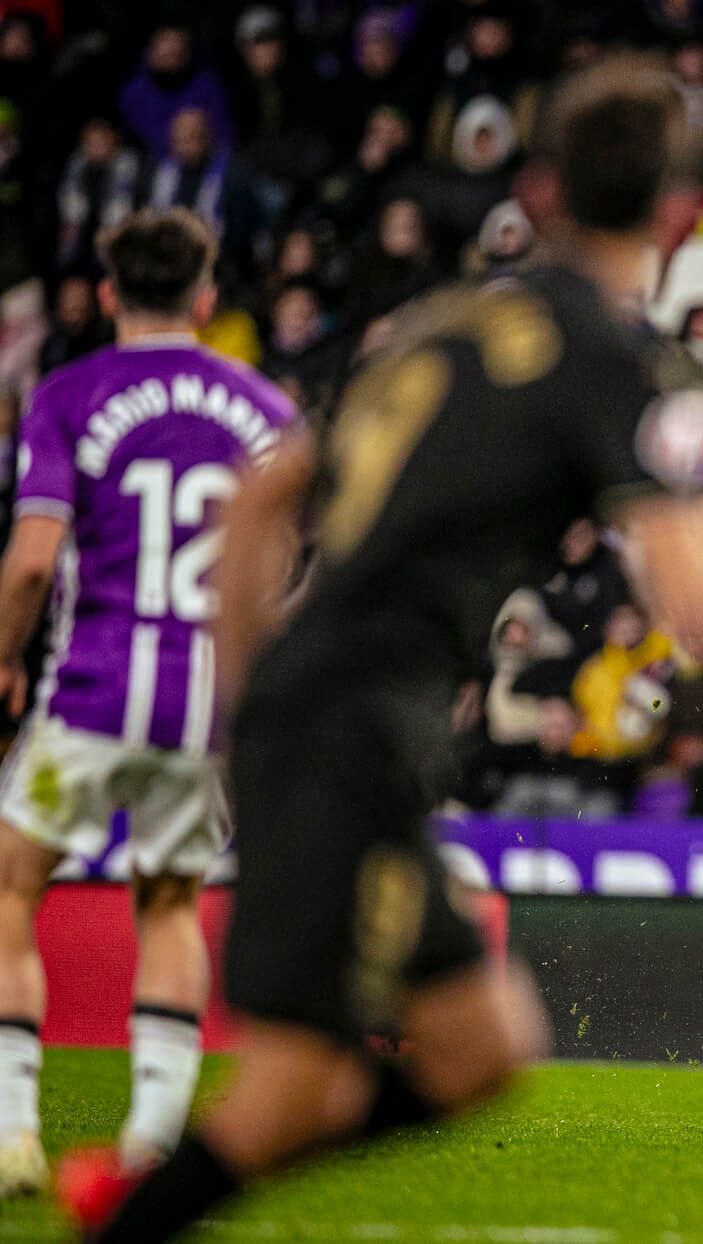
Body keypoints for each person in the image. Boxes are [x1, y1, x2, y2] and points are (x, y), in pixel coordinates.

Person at [63, 56, 703, 1240]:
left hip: (336, 712)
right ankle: (136, 1214)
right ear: (677, 213)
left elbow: (255, 503)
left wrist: (250, 694)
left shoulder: (439, 318)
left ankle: (149, 1197)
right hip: (353, 724)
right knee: (297, 1089)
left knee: (484, 1043)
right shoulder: (621, 359)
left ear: (543, 189)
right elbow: (701, 605)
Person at [0, 210, 299, 1199]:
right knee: (169, 902)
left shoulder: (68, 394)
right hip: (207, 710)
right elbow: (286, 571)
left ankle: (10, 1133)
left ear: (112, 293)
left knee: (9, 889)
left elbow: (33, 563)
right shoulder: (265, 407)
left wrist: (2, 656)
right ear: (208, 299)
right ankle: (151, 1140)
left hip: (89, 693)